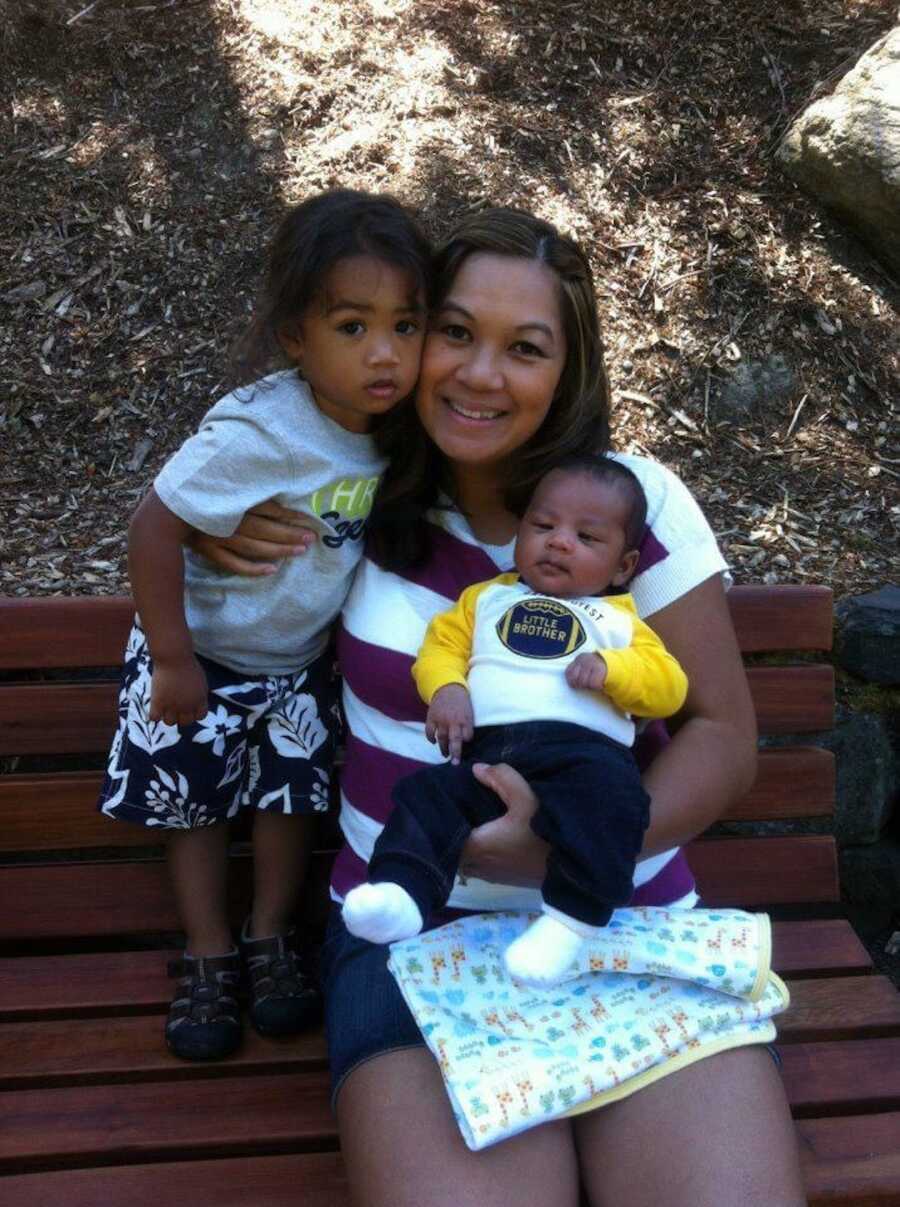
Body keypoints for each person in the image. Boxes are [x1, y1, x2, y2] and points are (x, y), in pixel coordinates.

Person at [194, 208, 806, 1204]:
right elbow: (216, 596)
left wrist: (578, 848)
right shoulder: (348, 491)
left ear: (569, 372)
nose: (481, 374)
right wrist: (211, 545)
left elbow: (724, 736)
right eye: (456, 331)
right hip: (412, 926)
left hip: (626, 917)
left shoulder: (629, 505)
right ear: (416, 333)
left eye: (524, 349)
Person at [97, 189, 431, 1062]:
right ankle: (208, 952)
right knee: (197, 812)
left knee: (290, 804)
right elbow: (153, 524)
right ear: (295, 336)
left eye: (407, 324)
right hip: (201, 659)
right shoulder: (261, 426)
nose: (385, 353)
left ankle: (270, 937)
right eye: (352, 327)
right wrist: (172, 659)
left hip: (295, 667)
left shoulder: (402, 434)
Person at [343, 455, 688, 987]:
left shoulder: (621, 619)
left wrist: (614, 671)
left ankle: (570, 923)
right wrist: (449, 689)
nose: (559, 542)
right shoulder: (487, 598)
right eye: (543, 526)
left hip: (584, 757)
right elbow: (441, 649)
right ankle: (402, 892)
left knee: (615, 807)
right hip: (490, 752)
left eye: (587, 538)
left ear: (623, 566)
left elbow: (669, 686)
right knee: (425, 796)